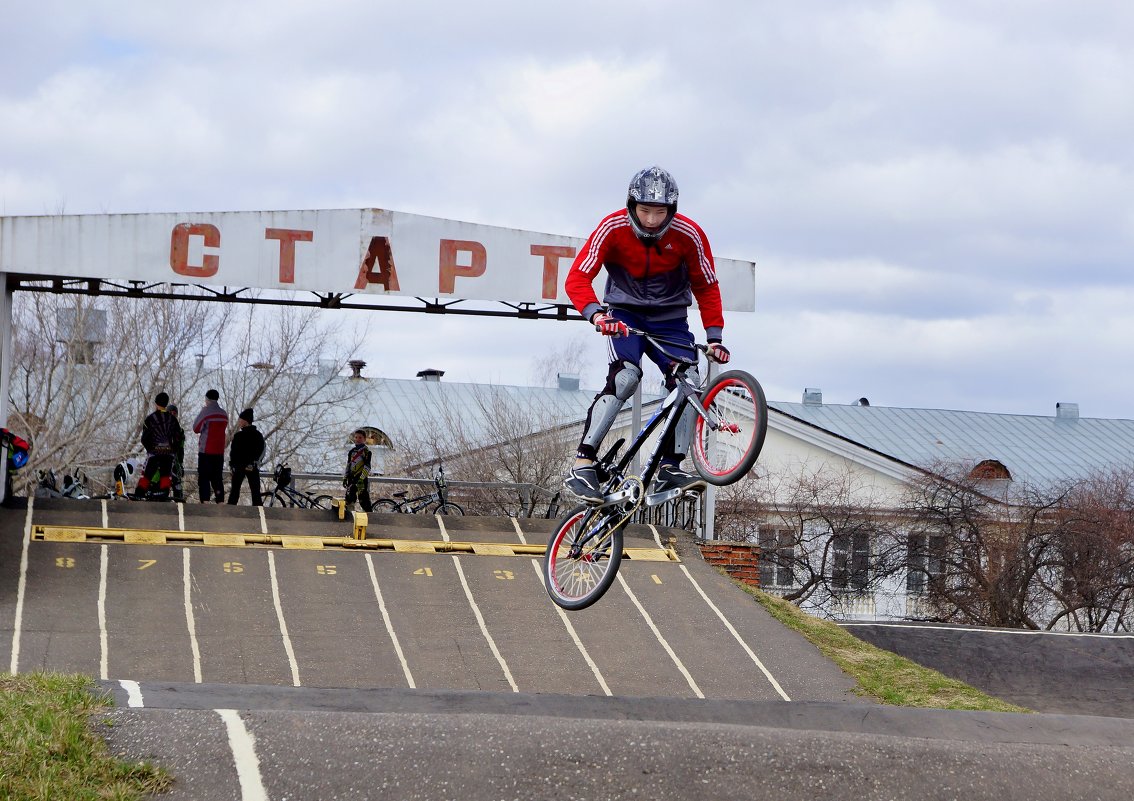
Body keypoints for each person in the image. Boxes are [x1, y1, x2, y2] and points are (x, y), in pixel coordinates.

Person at [563, 166, 731, 503]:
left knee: (689, 380)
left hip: (670, 319)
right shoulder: (612, 228)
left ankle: (669, 469)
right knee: (626, 378)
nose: (652, 220)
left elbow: (707, 286)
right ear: (631, 206)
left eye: (659, 212)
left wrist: (715, 337)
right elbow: (577, 279)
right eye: (645, 211)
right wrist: (596, 314)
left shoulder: (690, 235)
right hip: (624, 314)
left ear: (672, 210)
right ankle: (583, 464)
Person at [135, 392, 184, 501]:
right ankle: (163, 493)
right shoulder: (173, 419)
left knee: (147, 474)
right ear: (166, 404)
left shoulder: (150, 419)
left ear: (156, 403)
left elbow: (144, 438)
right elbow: (178, 437)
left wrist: (150, 449)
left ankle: (140, 493)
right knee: (166, 474)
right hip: (168, 453)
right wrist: (173, 450)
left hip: (154, 452)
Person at [193, 388, 229, 503]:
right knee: (217, 478)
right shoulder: (224, 414)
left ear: (207, 399)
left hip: (206, 451)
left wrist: (203, 411)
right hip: (219, 451)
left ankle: (205, 501)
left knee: (204, 477)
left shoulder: (206, 412)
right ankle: (220, 501)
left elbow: (196, 428)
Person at [227, 408, 265, 506]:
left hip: (240, 467)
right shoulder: (258, 435)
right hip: (252, 466)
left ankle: (229, 513)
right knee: (255, 493)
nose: (239, 421)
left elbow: (233, 453)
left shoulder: (239, 436)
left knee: (234, 492)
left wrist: (232, 466)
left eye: (240, 419)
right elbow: (261, 451)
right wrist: (254, 463)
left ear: (245, 421)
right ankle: (258, 513)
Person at [343, 428, 374, 512]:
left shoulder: (366, 452)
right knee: (349, 500)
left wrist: (361, 478)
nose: (357, 439)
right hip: (351, 479)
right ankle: (350, 517)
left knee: (364, 500)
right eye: (356, 437)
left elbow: (367, 466)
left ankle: (369, 518)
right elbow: (348, 465)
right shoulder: (352, 451)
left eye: (360, 437)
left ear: (364, 439)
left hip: (361, 480)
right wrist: (345, 477)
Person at [166, 403, 187, 502]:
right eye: (170, 413)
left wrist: (181, 464)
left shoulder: (180, 431)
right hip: (161, 460)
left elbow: (181, 449)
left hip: (175, 460)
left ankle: (179, 502)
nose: (172, 415)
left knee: (177, 483)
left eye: (174, 413)